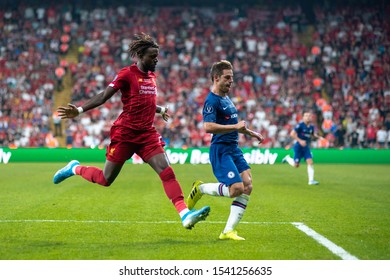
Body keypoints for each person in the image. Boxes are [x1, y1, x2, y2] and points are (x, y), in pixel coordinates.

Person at [53, 33, 210, 230]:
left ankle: (185, 214)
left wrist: (161, 110)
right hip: (125, 134)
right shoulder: (126, 74)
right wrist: (79, 110)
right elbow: (103, 96)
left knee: (167, 172)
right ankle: (74, 168)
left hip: (147, 135)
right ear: (140, 56)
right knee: (105, 179)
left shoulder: (152, 77)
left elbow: (146, 100)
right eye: (152, 56)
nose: (156, 60)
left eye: (157, 56)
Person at [186, 60, 264, 241]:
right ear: (216, 78)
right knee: (236, 188)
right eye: (227, 78)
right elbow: (208, 126)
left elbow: (234, 125)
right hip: (221, 150)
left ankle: (228, 231)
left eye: (232, 78)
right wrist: (236, 126)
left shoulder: (226, 98)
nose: (231, 81)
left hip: (233, 148)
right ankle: (201, 188)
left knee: (248, 185)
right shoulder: (211, 100)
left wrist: (251, 134)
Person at [282, 111, 323, 185]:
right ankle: (287, 158)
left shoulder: (311, 127)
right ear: (303, 118)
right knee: (296, 165)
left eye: (309, 116)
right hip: (298, 147)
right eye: (306, 116)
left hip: (306, 147)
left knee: (310, 162)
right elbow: (292, 134)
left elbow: (312, 134)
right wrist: (300, 141)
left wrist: (319, 137)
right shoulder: (300, 125)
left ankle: (311, 181)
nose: (308, 117)